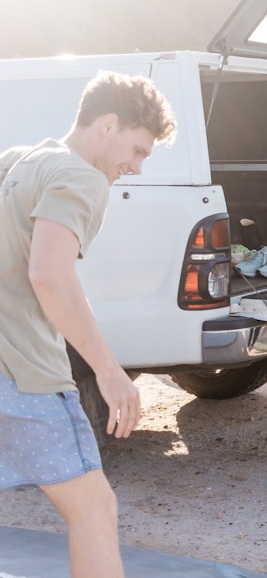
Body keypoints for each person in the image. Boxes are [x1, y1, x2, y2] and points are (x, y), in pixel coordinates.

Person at [0, 71, 176, 577]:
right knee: (94, 509)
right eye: (138, 151)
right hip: (25, 374)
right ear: (107, 124)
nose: (137, 167)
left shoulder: (20, 158)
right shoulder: (82, 177)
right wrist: (109, 370)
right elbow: (50, 277)